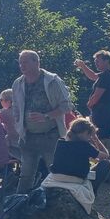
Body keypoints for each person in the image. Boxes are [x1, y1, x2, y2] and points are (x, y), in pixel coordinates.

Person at [12, 50, 73, 193]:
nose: (22, 66)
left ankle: (59, 201)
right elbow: (15, 108)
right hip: (28, 136)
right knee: (26, 175)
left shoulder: (52, 81)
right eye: (20, 63)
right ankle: (20, 203)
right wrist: (19, 125)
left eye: (25, 62)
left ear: (36, 62)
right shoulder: (18, 83)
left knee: (56, 173)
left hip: (51, 136)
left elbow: (67, 106)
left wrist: (46, 116)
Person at [50, 117, 110, 194]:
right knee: (106, 164)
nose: (90, 138)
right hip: (75, 178)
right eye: (90, 135)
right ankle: (92, 191)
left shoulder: (61, 142)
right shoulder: (85, 146)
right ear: (85, 132)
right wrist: (96, 139)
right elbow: (106, 155)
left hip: (56, 176)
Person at [75, 51, 110, 149]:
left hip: (102, 111)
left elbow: (97, 95)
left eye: (98, 61)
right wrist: (83, 66)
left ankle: (102, 157)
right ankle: (107, 157)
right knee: (105, 137)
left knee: (99, 138)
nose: (95, 63)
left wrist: (89, 104)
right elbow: (93, 76)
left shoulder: (107, 76)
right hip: (109, 110)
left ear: (106, 60)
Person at [0, 89, 20, 160]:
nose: (0, 102)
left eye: (1, 100)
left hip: (14, 143)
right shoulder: (20, 109)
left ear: (8, 101)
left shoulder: (4, 112)